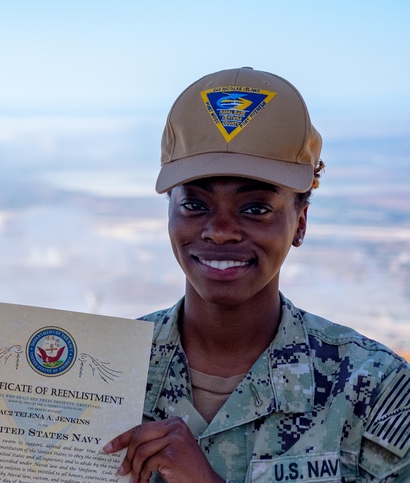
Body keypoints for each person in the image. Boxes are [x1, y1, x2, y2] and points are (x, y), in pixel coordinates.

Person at [103, 67, 410, 482]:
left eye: (256, 208)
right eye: (195, 204)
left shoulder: (375, 391)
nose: (220, 230)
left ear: (300, 222)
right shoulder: (103, 370)